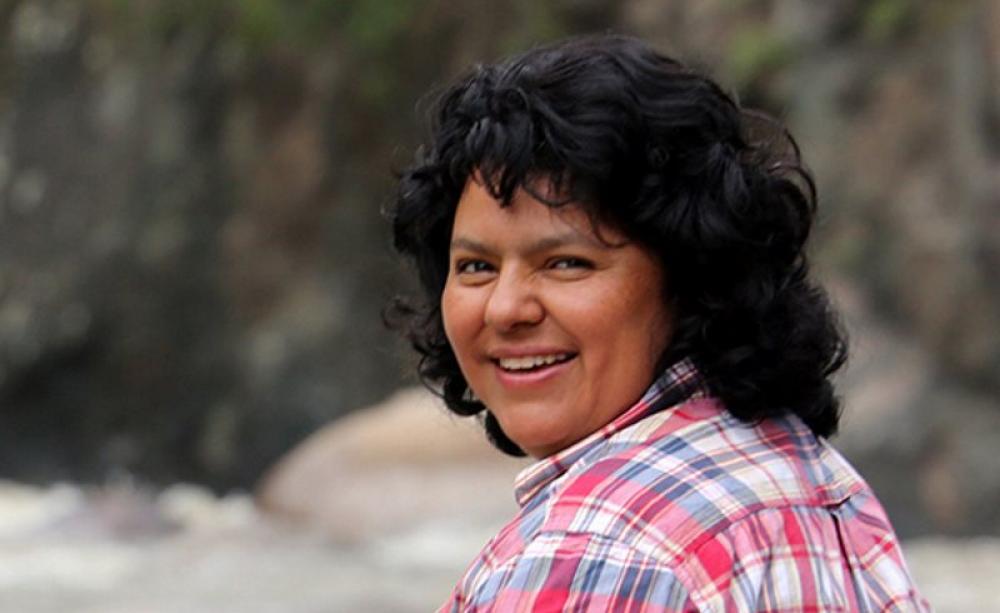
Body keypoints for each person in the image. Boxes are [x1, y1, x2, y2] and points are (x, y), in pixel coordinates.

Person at [388, 34, 928, 612]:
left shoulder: (593, 552)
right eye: (475, 266)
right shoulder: (813, 484)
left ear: (691, 276)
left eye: (567, 263)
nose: (505, 308)